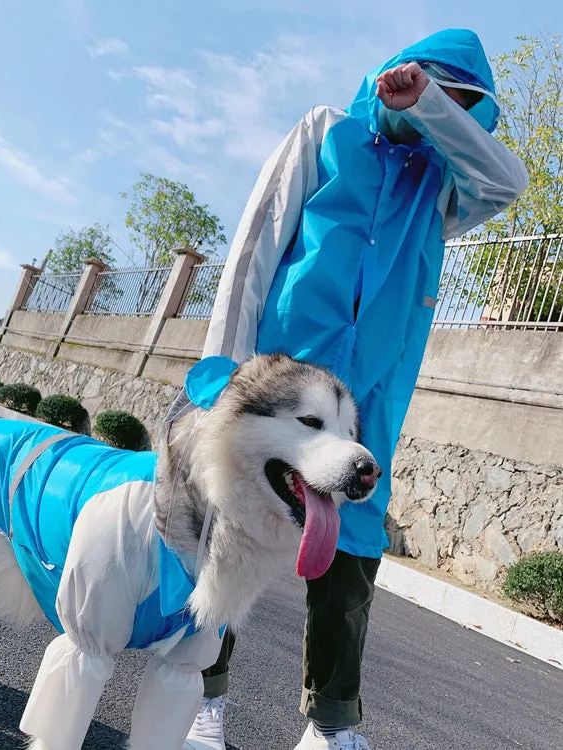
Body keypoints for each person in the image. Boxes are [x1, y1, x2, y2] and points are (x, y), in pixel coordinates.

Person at [182, 28, 528, 750]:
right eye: (438, 87)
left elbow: (508, 184)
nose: (447, 112)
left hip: (366, 398)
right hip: (278, 379)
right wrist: (224, 366)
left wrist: (431, 105)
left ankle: (329, 725)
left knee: (352, 549)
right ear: (395, 70)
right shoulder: (324, 132)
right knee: (225, 532)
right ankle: (199, 698)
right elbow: (255, 244)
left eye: (463, 105)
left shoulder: (443, 188)